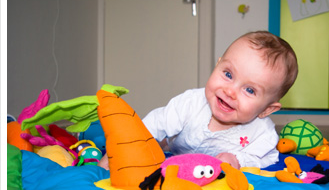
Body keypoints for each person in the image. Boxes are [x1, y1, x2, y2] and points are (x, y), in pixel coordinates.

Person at [98, 31, 298, 170]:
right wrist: (123, 148)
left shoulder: (262, 133)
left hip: (205, 172)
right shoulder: (191, 103)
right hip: (174, 148)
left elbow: (267, 157)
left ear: (267, 109)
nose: (230, 92)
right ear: (218, 65)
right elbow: (155, 123)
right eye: (228, 74)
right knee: (154, 144)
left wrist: (238, 159)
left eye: (249, 90)